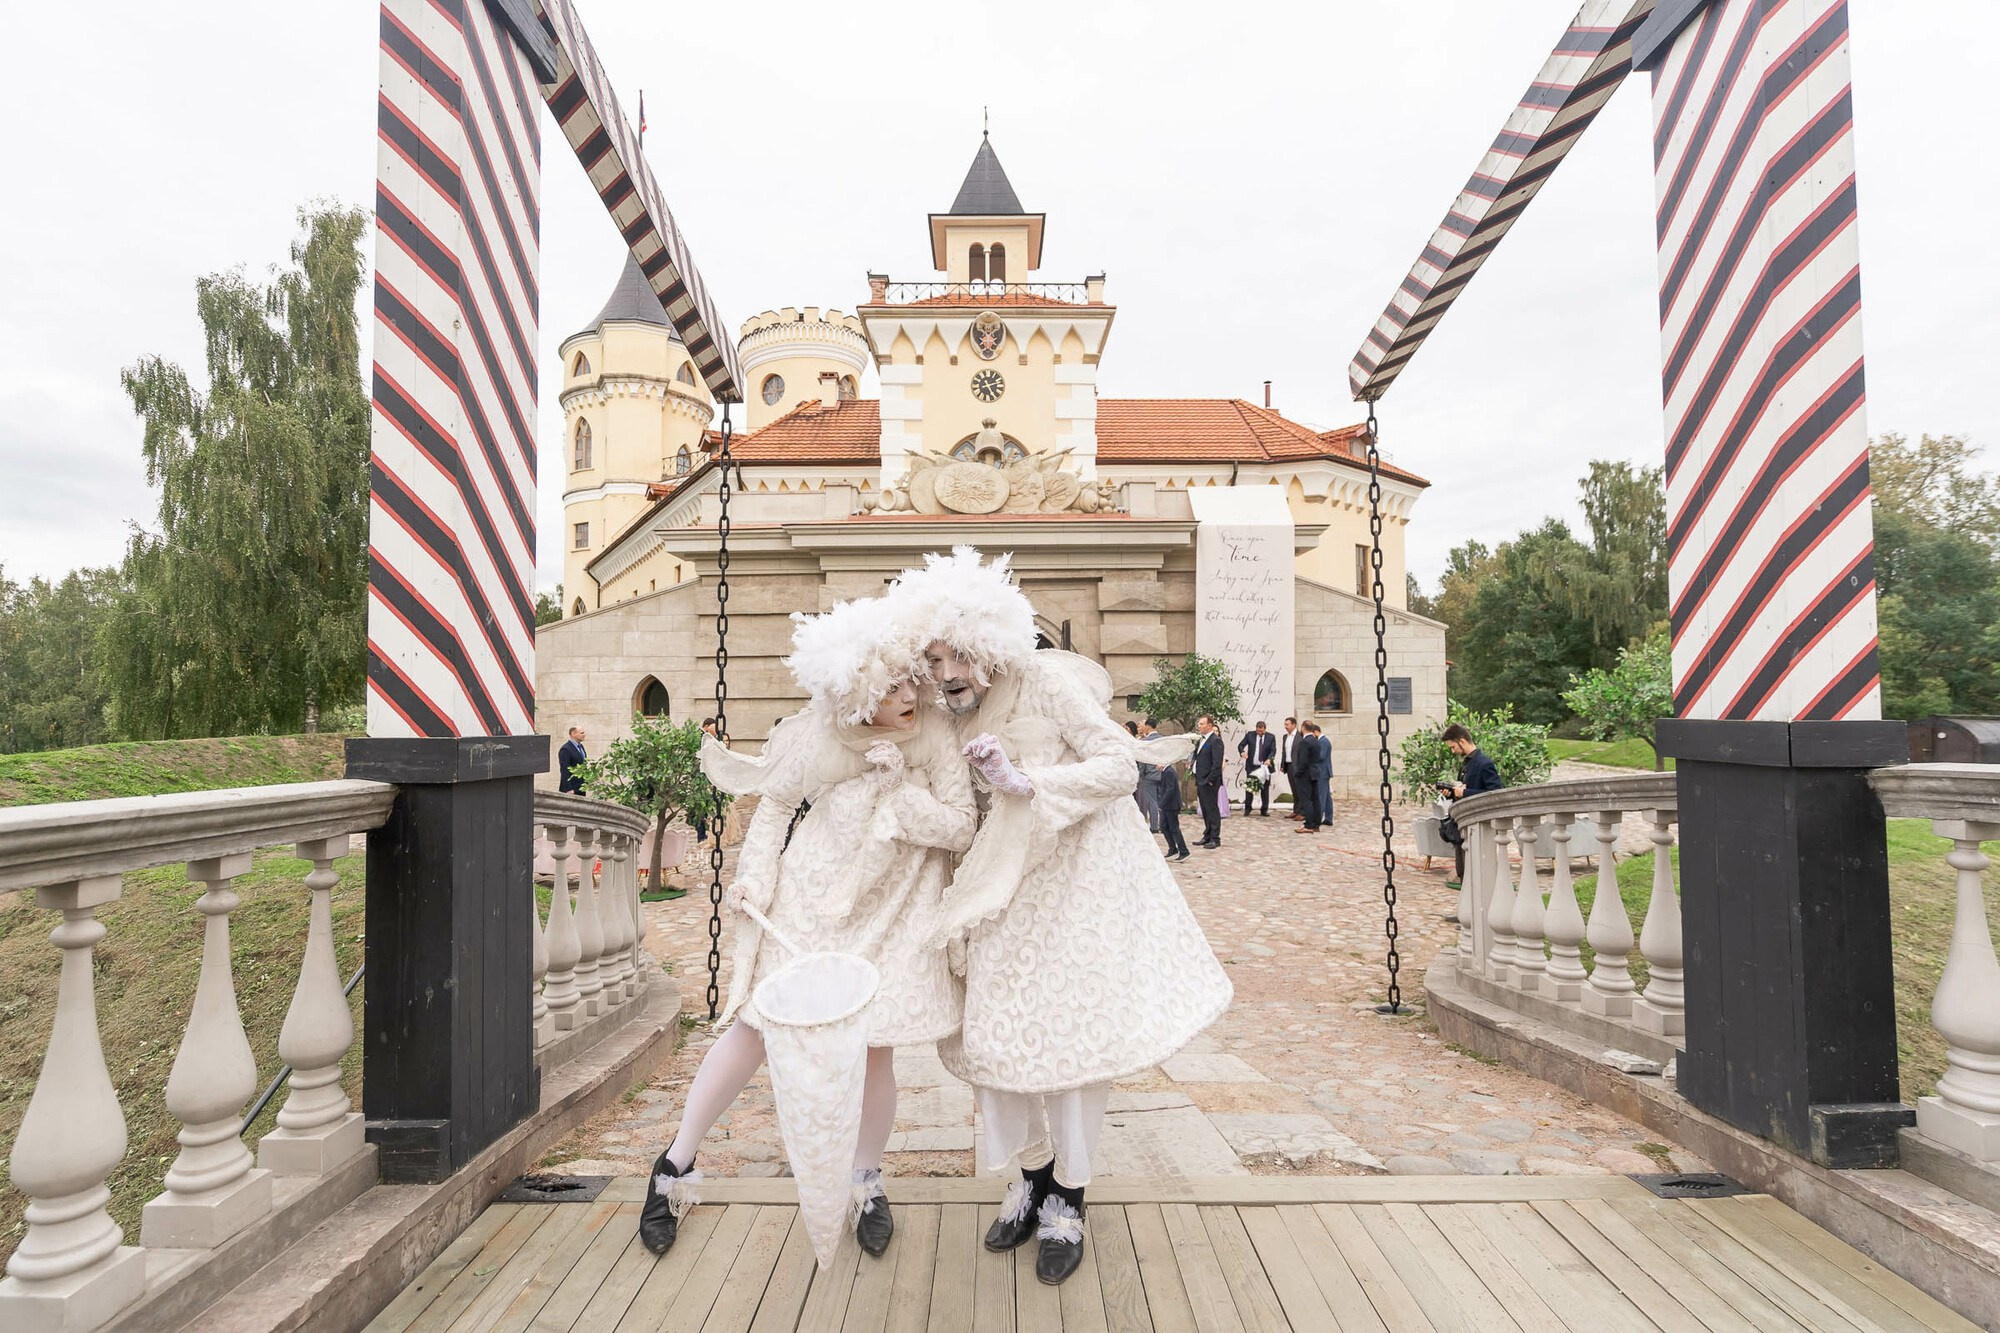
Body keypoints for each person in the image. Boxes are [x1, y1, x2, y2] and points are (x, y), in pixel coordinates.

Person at [884, 548, 1231, 1286]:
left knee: (1070, 1048)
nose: (943, 673)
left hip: (1073, 895)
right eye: (932, 659)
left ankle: (1068, 1196)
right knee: (994, 1046)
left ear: (985, 642)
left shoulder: (1045, 682)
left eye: (953, 655)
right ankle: (1032, 1174)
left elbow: (1117, 765)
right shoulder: (947, 714)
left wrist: (1026, 781)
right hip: (998, 900)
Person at [639, 597, 977, 1263]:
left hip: (893, 909)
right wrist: (754, 881)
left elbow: (961, 826)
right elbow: (773, 808)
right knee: (755, 1030)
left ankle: (865, 1180)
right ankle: (674, 1164)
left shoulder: (934, 734)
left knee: (876, 1045)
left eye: (911, 681)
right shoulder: (821, 735)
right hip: (809, 901)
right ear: (857, 692)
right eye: (892, 688)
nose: (910, 696)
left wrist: (901, 793)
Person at [1441, 723, 1503, 879]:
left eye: (1453, 747)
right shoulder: (1467, 763)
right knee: (1463, 870)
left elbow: (1495, 794)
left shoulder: (1484, 763)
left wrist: (1464, 792)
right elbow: (1466, 791)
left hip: (1479, 825)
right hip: (1464, 824)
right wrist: (1452, 793)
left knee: (1476, 872)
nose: (1452, 751)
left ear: (1462, 741)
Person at [1144, 718, 1190, 861]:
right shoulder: (1164, 772)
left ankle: (1183, 851)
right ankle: (1172, 848)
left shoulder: (1169, 772)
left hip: (1171, 805)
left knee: (1174, 828)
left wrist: (1162, 803)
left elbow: (1170, 790)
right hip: (1166, 805)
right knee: (1164, 826)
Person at [1192, 714, 1224, 849]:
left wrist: (1210, 780)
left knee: (1212, 808)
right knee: (1205, 809)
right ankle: (1207, 834)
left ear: (1209, 725)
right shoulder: (1201, 740)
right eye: (1199, 724)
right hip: (1200, 779)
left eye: (1202, 724)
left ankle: (1215, 838)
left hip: (1208, 781)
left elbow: (1217, 763)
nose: (1199, 726)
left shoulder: (1215, 741)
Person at [1296, 721, 1331, 833]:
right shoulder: (1316, 741)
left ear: (1303, 728)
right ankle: (1316, 824)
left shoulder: (1305, 742)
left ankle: (1309, 824)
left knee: (1307, 800)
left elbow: (1303, 760)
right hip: (1315, 773)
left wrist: (1298, 773)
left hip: (1305, 774)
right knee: (1316, 800)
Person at [1236, 721, 1276, 816]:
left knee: (1264, 789)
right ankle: (1248, 808)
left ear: (1265, 729)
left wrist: (1269, 759)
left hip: (1264, 767)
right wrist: (1242, 752)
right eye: (1258, 731)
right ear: (1256, 729)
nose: (1260, 733)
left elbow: (1273, 750)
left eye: (1261, 731)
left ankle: (1264, 809)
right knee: (1250, 788)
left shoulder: (1271, 737)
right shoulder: (1250, 735)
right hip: (1252, 766)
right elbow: (1240, 745)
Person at [1280, 717, 1305, 819]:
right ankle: (1296, 810)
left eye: (1287, 724)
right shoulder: (1285, 737)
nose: (1285, 726)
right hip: (1289, 765)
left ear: (1294, 725)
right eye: (1285, 724)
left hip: (1298, 766)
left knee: (1300, 789)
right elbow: (1284, 752)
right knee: (1294, 789)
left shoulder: (1300, 736)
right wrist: (1282, 765)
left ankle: (1302, 812)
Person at [558, 725, 588, 794]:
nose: (584, 735)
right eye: (582, 733)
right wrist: (568, 789)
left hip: (581, 787)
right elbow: (564, 770)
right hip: (571, 789)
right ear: (573, 734)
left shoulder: (581, 747)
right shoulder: (566, 749)